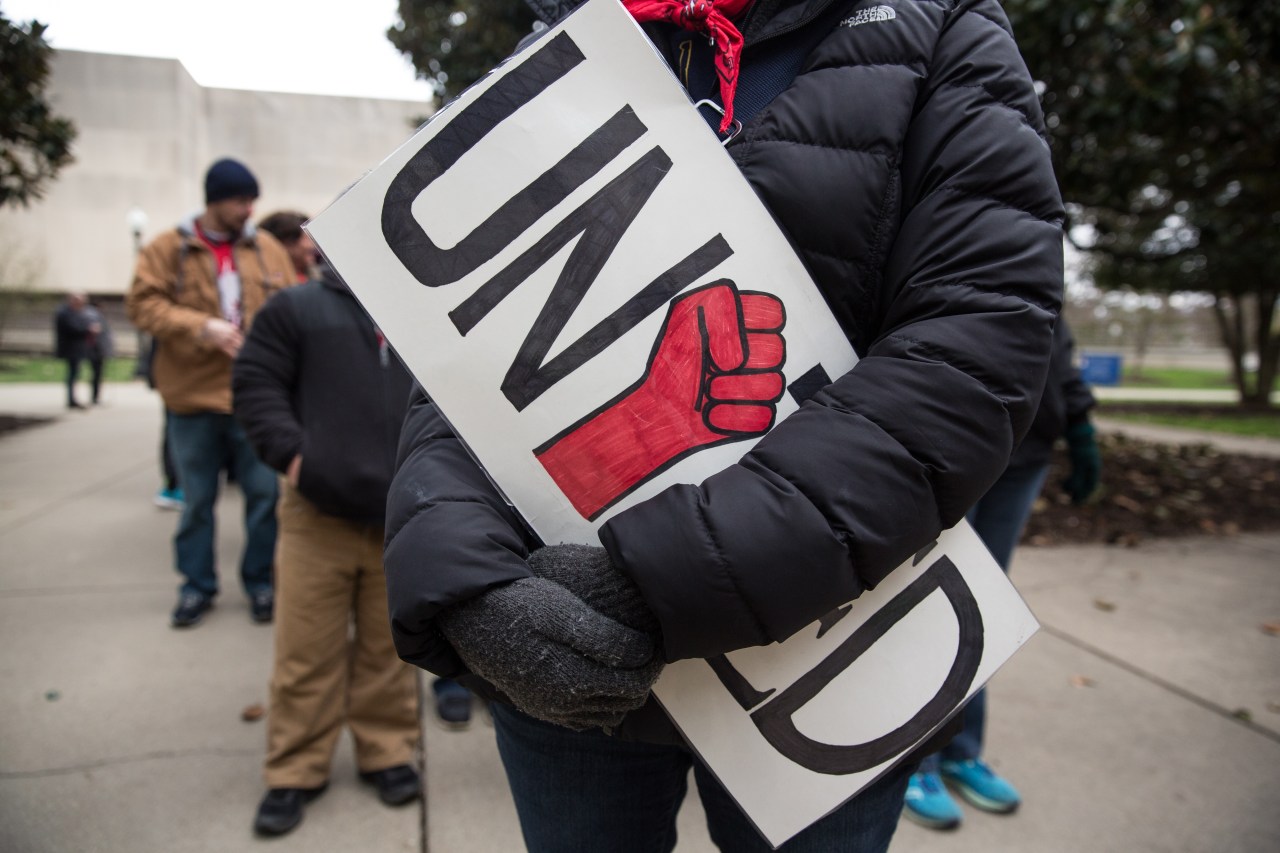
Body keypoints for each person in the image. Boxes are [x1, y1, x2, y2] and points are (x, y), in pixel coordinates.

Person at [383, 1, 1067, 851]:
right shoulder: (555, 45)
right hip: (557, 646)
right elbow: (449, 368)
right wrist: (466, 581)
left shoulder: (939, 25)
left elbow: (973, 349)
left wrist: (658, 578)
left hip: (826, 651)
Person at [232, 256, 422, 836]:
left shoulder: (416, 311)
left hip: (401, 517)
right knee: (305, 652)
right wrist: (296, 459)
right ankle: (295, 768)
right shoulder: (295, 307)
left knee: (386, 652)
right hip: (316, 514)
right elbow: (255, 385)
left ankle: (387, 751)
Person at [903, 318, 1100, 830]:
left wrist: (1078, 422)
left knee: (984, 609)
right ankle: (914, 764)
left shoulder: (1045, 242)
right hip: (954, 440)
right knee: (933, 608)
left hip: (1027, 450)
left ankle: (961, 751)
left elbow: (1057, 342)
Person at [125, 157, 295, 629]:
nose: (249, 209)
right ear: (216, 200)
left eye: (252, 201)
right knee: (197, 500)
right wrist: (201, 327)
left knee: (264, 497)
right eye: (241, 201)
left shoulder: (265, 248)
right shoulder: (166, 247)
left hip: (255, 399)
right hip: (193, 399)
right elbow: (141, 304)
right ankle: (196, 587)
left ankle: (260, 582)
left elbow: (290, 307)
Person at [53, 291, 100, 409]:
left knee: (77, 373)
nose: (81, 304)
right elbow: (72, 328)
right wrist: (88, 329)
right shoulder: (64, 313)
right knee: (72, 373)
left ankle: (84, 398)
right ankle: (71, 399)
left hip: (81, 348)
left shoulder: (81, 312)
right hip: (70, 348)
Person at [257, 211, 318, 283]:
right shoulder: (268, 281)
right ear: (286, 244)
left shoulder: (316, 278)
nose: (313, 246)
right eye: (307, 238)